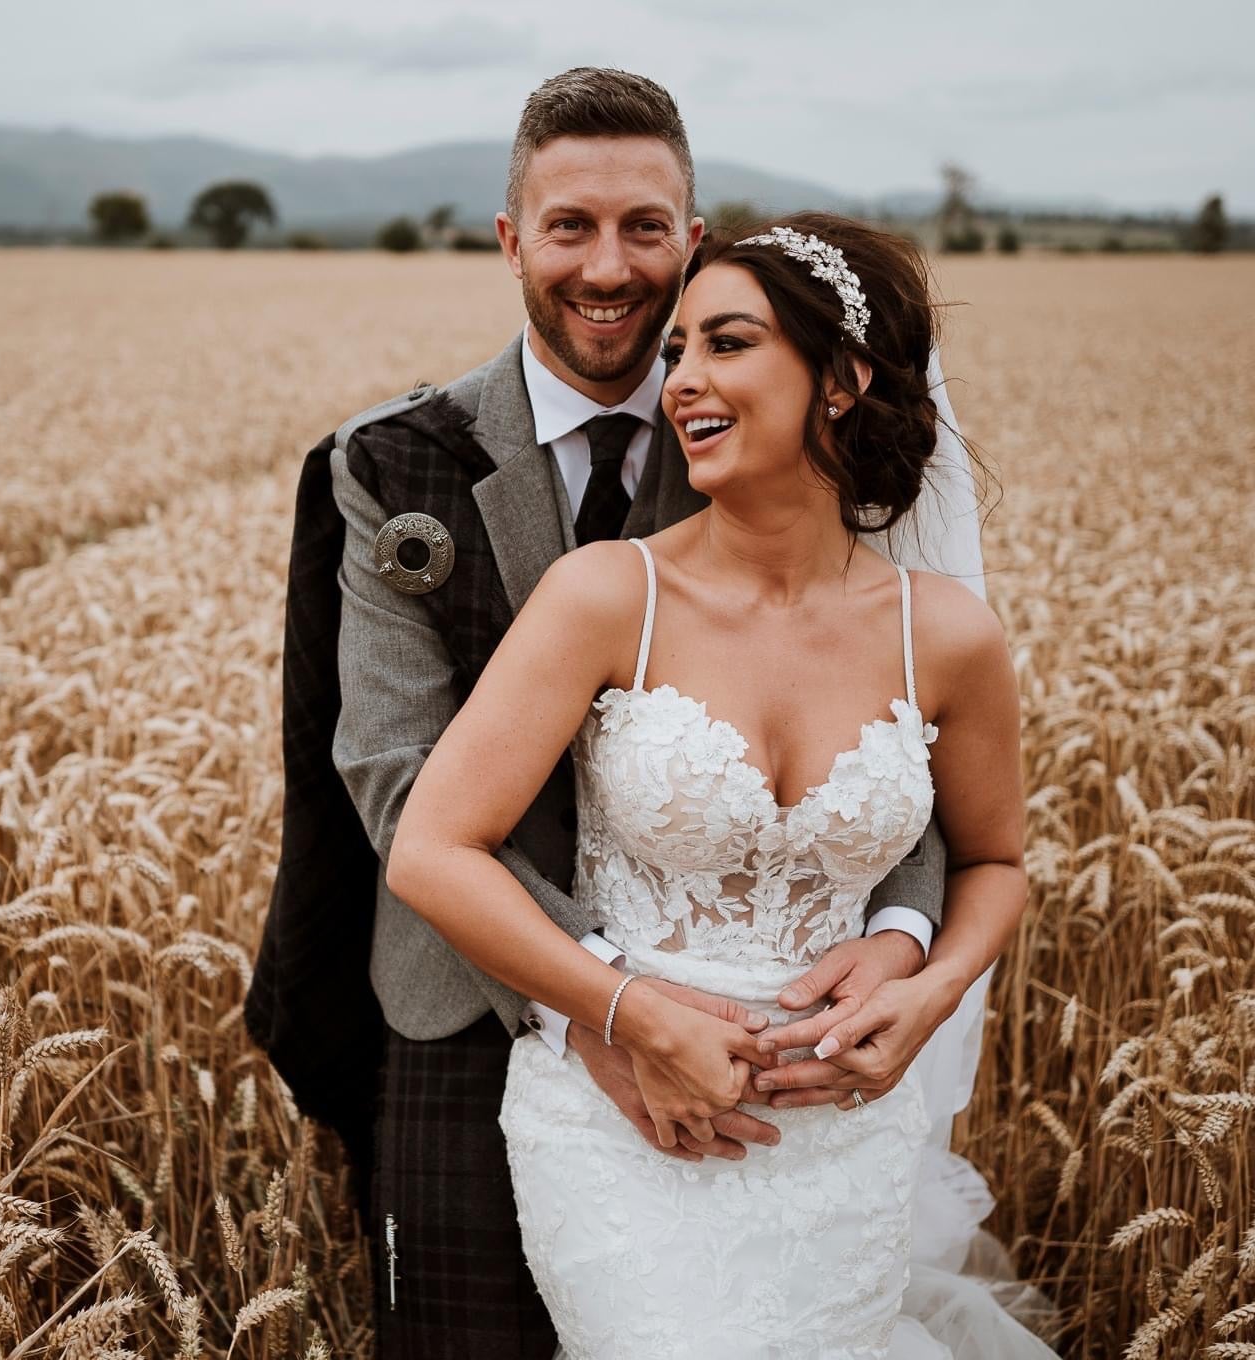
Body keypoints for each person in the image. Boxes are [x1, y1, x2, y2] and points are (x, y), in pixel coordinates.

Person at [246, 67, 1010, 1358]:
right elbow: (394, 777)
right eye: (570, 227)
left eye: (645, 227)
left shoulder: (762, 449)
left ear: (691, 239)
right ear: (512, 241)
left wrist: (899, 940)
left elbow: (893, 754)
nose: (608, 266)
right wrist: (607, 1008)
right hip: (474, 1000)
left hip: (781, 1056)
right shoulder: (392, 461)